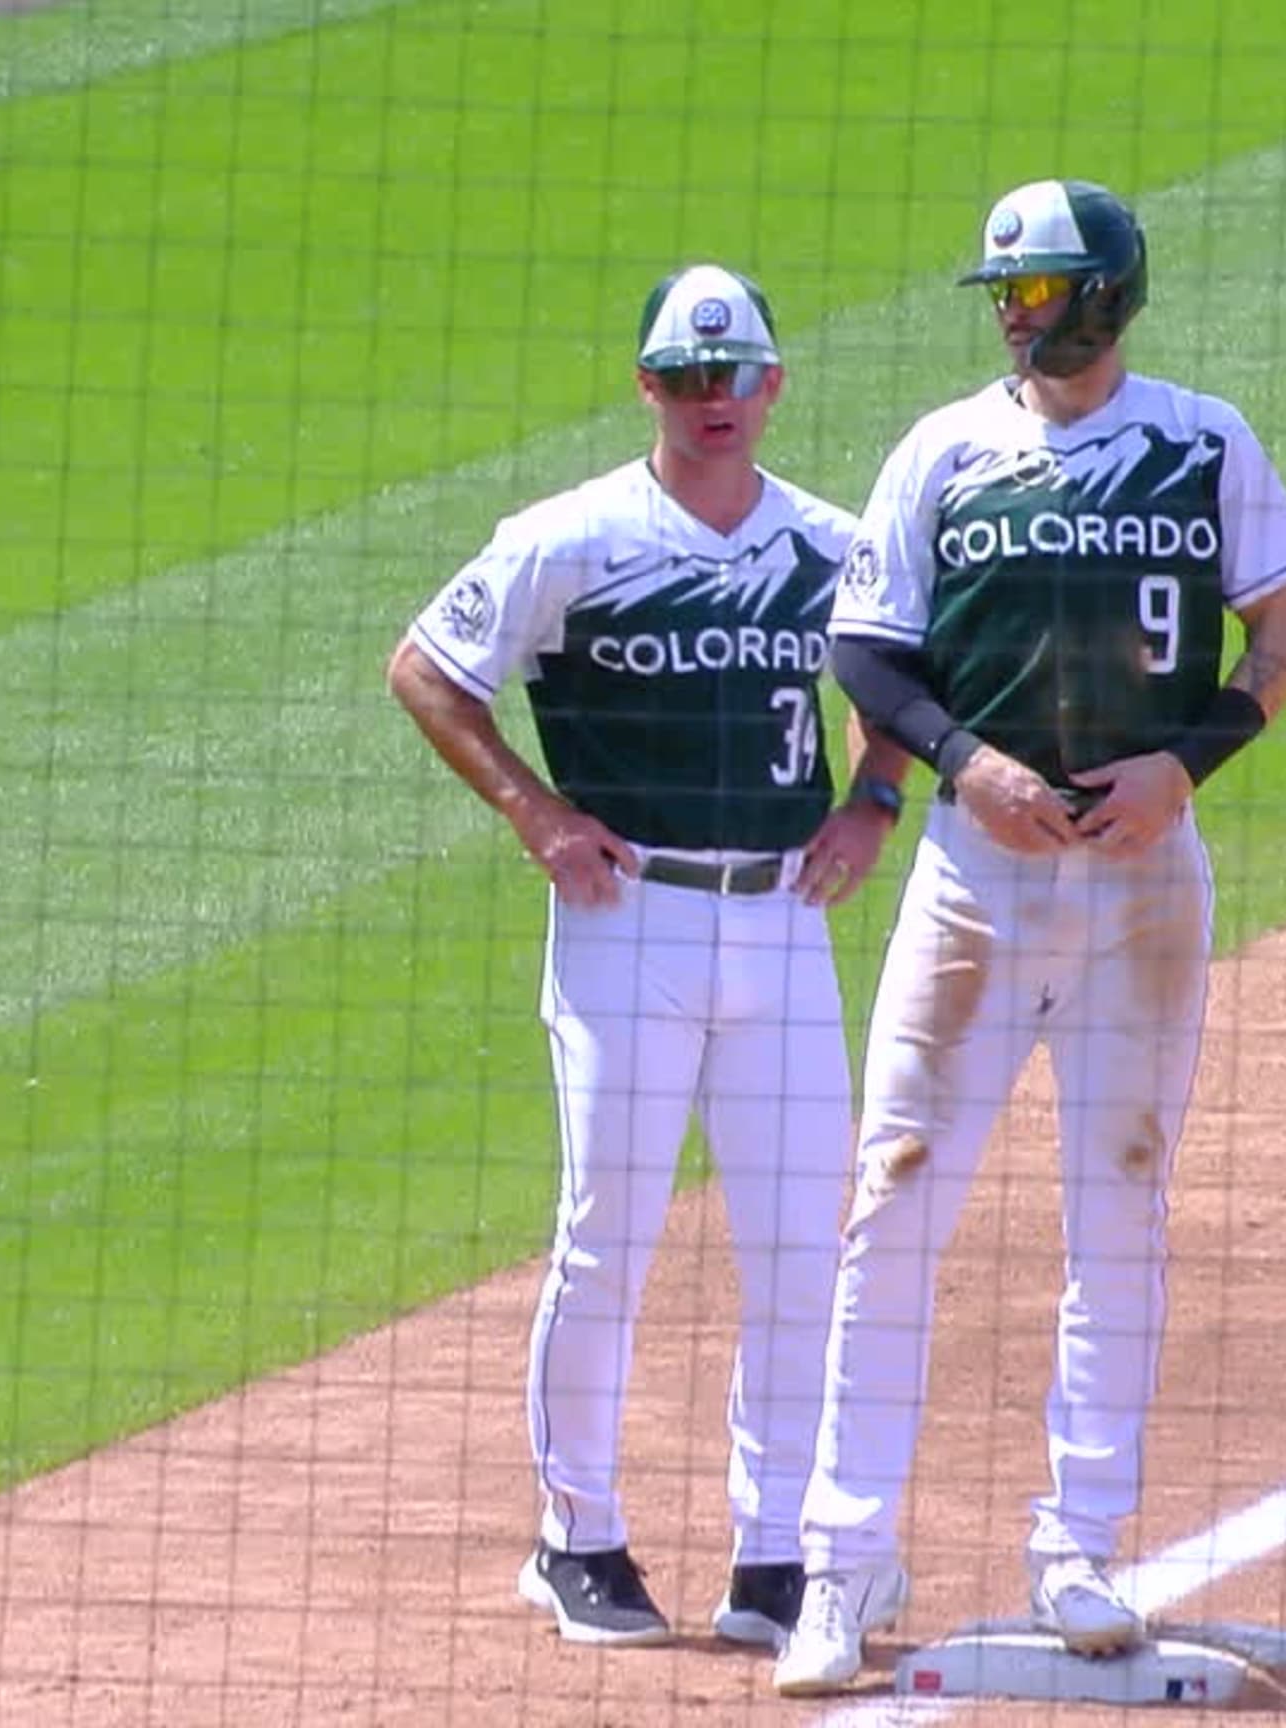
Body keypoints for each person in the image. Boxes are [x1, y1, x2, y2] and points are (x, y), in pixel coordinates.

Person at [772, 178, 1286, 1696]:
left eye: (1038, 289)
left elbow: (1282, 643)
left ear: (1106, 294)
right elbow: (870, 654)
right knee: (893, 1195)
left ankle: (1078, 1547)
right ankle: (841, 1560)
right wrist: (970, 765)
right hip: (977, 876)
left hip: (1145, 880)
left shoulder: (1204, 443)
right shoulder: (944, 450)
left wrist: (1181, 766)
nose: (1016, 314)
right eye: (1005, 295)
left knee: (1121, 1205)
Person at [387, 263, 913, 1650]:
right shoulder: (571, 536)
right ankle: (577, 1539)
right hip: (631, 926)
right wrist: (534, 812)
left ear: (774, 385)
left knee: (804, 1247)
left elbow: (901, 677)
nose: (711, 402)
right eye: (685, 379)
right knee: (607, 1236)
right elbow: (428, 670)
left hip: (785, 921)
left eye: (732, 376)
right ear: (648, 389)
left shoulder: (833, 542)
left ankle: (774, 1559)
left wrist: (871, 802)